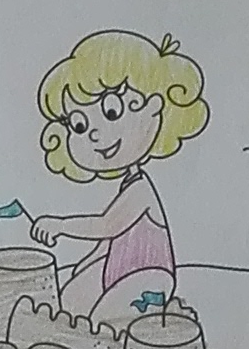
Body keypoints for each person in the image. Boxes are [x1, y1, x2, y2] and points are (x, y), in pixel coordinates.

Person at [28, 27, 212, 326]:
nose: (95, 134)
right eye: (79, 125)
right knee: (68, 305)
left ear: (155, 106)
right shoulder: (127, 184)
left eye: (112, 112)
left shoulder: (140, 190)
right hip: (115, 268)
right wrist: (87, 264)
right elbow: (113, 238)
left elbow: (108, 225)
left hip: (149, 276)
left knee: (102, 323)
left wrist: (59, 225)